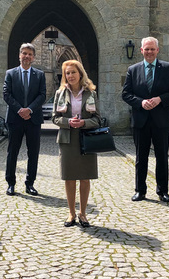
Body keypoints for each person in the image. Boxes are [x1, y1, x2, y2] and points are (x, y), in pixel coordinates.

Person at [122, 36, 169, 202]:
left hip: (161, 120)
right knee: (141, 157)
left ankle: (163, 191)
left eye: (152, 49)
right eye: (146, 49)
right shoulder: (133, 70)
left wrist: (160, 99)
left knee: (162, 156)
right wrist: (141, 102)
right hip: (141, 120)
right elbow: (125, 94)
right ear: (141, 51)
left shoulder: (168, 68)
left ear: (157, 50)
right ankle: (140, 190)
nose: (149, 52)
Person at [52, 60, 101, 227]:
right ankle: (71, 213)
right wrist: (68, 122)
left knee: (85, 177)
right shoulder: (60, 94)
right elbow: (55, 118)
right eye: (67, 73)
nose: (70, 76)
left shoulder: (91, 94)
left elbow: (97, 119)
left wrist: (84, 123)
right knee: (70, 177)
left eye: (73, 72)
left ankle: (83, 213)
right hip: (67, 139)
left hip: (86, 138)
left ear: (80, 73)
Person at [3, 43, 46, 196]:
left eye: (30, 54)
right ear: (19, 55)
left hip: (33, 119)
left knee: (33, 153)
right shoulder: (10, 73)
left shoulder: (40, 75)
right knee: (12, 152)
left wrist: (30, 109)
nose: (27, 56)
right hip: (15, 118)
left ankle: (30, 184)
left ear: (33, 57)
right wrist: (20, 110)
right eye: (24, 53)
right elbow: (6, 94)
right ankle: (10, 183)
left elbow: (42, 95)